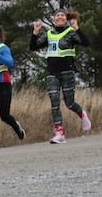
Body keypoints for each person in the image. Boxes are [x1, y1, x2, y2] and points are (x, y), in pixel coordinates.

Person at [30, 8, 92, 144]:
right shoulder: (49, 33)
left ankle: (82, 114)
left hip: (67, 71)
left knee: (69, 103)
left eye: (62, 15)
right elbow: (33, 47)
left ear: (66, 18)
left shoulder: (70, 33)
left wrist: (77, 28)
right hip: (52, 72)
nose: (59, 17)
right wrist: (35, 32)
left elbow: (86, 43)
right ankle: (59, 132)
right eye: (57, 15)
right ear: (54, 18)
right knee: (54, 102)